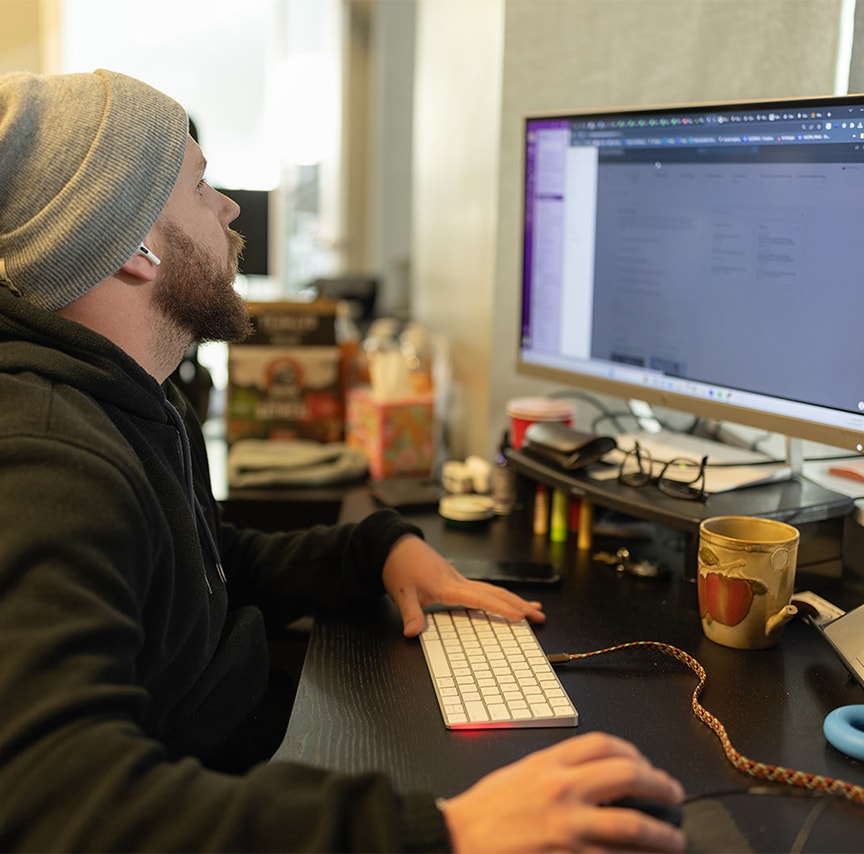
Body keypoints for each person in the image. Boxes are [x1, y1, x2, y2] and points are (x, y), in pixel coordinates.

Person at [0, 68, 686, 852]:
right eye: (200, 186)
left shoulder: (137, 397)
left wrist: (377, 550)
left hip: (246, 768)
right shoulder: (48, 461)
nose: (227, 208)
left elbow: (206, 565)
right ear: (134, 247)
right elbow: (54, 806)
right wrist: (447, 832)